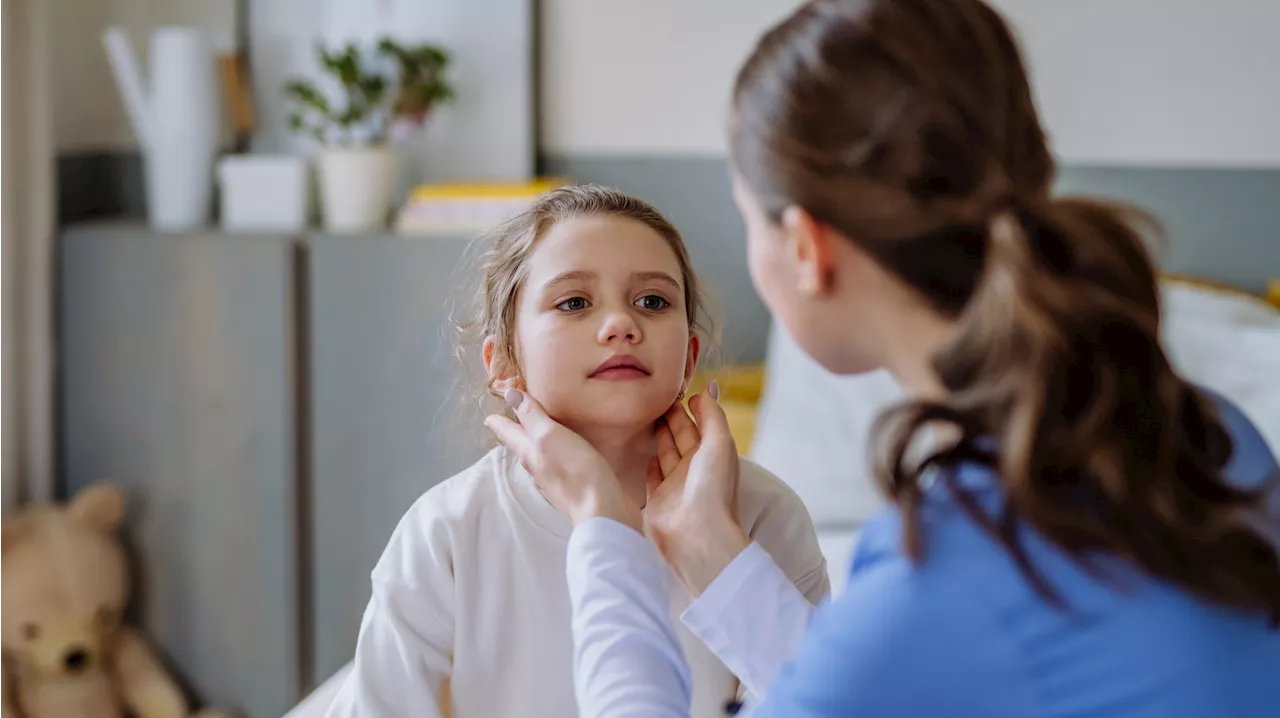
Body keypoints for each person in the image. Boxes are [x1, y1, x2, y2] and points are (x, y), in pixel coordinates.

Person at [485, 0, 1280, 716]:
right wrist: (710, 554)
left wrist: (603, 530)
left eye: (749, 223)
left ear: (807, 249)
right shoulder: (1214, 438)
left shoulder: (941, 582)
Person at [325, 185, 830, 718]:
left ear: (689, 358)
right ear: (502, 362)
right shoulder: (446, 531)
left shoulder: (765, 513)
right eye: (574, 302)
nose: (621, 325)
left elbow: (832, 701)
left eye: (653, 302)